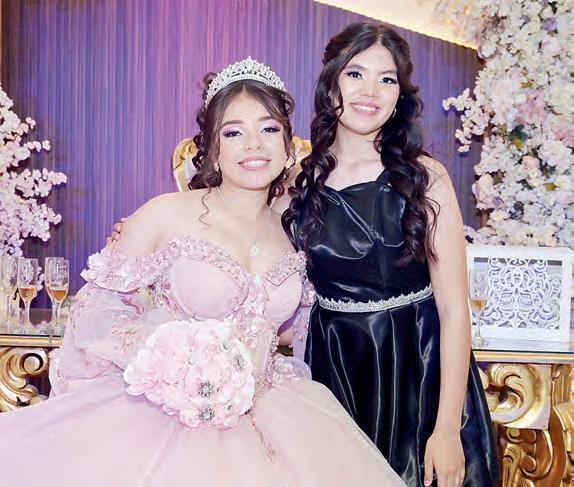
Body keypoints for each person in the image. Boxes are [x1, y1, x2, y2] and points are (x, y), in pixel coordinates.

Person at [0, 58, 405, 486]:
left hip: (277, 415)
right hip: (164, 419)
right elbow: (94, 315)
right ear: (212, 150)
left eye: (269, 129)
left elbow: (293, 329)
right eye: (233, 133)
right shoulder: (165, 214)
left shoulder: (296, 227)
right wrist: (175, 358)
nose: (254, 145)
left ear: (288, 146)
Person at [282, 23, 499, 487]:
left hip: (420, 373)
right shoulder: (295, 183)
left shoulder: (425, 179)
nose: (370, 92)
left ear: (399, 95)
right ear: (331, 83)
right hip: (336, 372)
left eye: (387, 79)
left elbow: (454, 311)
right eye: (355, 74)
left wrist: (446, 428)